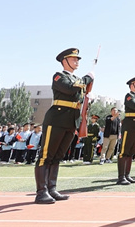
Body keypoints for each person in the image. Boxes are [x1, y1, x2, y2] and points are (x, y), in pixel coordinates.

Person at [35, 48, 94, 204]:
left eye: (77, 59)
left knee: (57, 156)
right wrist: (87, 79)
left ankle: (52, 189)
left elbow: (78, 97)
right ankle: (41, 192)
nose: (77, 61)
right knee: (46, 156)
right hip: (56, 119)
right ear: (64, 61)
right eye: (73, 59)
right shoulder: (59, 76)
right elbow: (69, 88)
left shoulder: (76, 80)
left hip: (70, 121)